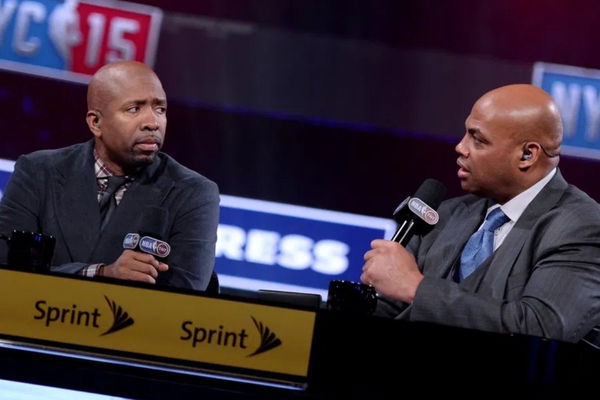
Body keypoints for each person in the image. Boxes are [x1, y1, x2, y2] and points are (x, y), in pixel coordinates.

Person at [360, 84, 600, 344]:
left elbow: (541, 326)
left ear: (527, 155)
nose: (461, 147)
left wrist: (416, 288)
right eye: (466, 134)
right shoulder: (446, 215)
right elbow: (394, 309)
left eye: (478, 139)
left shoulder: (583, 227)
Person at [0, 61, 219, 291]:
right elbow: (6, 265)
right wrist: (103, 273)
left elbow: (187, 290)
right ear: (96, 123)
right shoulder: (37, 171)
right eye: (134, 109)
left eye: (160, 109)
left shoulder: (193, 193)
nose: (152, 123)